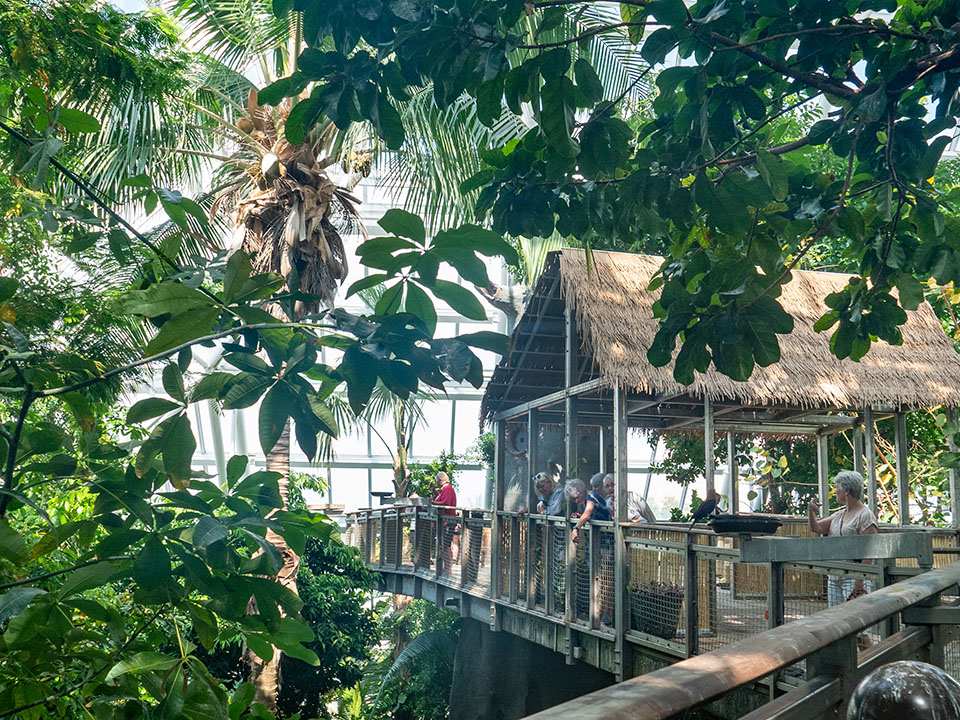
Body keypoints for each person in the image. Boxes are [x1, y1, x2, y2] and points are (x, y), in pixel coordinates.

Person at [808, 470, 878, 649]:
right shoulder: (839, 515)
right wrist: (811, 512)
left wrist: (859, 581)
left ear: (847, 490)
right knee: (838, 626)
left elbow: (869, 550)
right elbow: (815, 528)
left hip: (854, 576)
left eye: (837, 487)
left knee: (858, 629)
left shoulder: (865, 516)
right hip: (835, 575)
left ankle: (871, 664)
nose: (835, 491)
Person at [433, 471, 457, 573]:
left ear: (440, 480)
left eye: (437, 481)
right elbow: (441, 497)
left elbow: (445, 502)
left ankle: (448, 568)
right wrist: (434, 491)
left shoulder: (447, 488)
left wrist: (432, 502)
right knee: (444, 545)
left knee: (446, 545)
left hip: (448, 521)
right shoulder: (445, 489)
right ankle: (446, 567)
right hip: (445, 521)